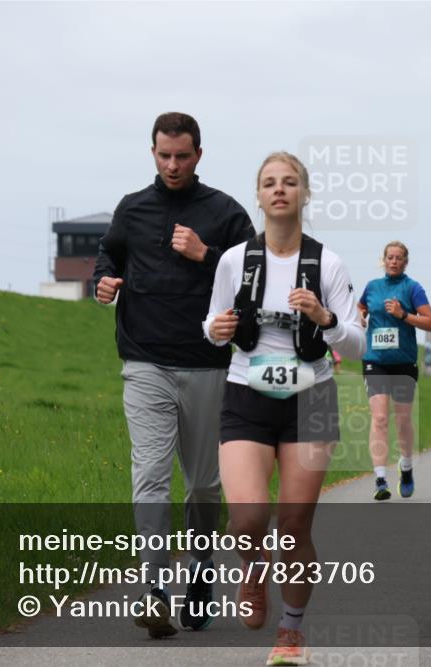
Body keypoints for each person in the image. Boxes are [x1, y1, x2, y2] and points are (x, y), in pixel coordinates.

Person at [93, 112, 255, 637]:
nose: (172, 165)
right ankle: (154, 588)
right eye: (164, 155)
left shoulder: (225, 212)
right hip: (145, 361)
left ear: (198, 155)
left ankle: (201, 571)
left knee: (204, 485)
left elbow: (255, 279)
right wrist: (102, 281)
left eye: (182, 156)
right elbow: (108, 255)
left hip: (208, 364)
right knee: (150, 474)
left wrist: (206, 254)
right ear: (153, 153)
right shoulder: (132, 209)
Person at [204, 152, 365, 666]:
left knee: (294, 525)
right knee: (247, 517)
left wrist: (325, 317)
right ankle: (254, 568)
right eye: (270, 182)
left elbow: (357, 344)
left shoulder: (328, 264)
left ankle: (291, 632)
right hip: (246, 394)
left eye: (289, 182)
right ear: (258, 195)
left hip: (311, 398)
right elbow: (212, 324)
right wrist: (216, 330)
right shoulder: (234, 260)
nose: (279, 190)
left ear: (304, 193)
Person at [358, 242, 431, 500]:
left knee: (402, 420)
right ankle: (380, 480)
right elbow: (361, 306)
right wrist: (360, 315)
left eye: (398, 258)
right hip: (375, 361)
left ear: (405, 262)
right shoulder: (372, 286)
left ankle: (406, 467)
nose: (393, 261)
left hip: (403, 363)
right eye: (390, 257)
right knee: (380, 418)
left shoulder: (413, 288)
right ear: (384, 260)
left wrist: (404, 315)